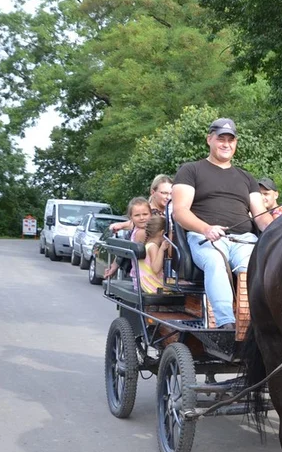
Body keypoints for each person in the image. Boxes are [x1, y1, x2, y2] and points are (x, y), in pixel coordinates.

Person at [171, 118, 269, 331]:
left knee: (254, 266)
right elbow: (180, 212)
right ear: (209, 140)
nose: (226, 144)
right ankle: (225, 324)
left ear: (236, 143)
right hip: (205, 238)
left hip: (244, 240)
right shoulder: (190, 170)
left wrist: (279, 233)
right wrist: (206, 228)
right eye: (221, 139)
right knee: (215, 262)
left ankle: (253, 324)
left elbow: (261, 216)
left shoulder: (246, 177)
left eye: (230, 140)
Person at [102, 197, 152, 280]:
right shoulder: (141, 232)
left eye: (145, 214)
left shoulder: (136, 229)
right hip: (145, 277)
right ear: (131, 218)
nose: (142, 218)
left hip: (139, 275)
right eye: (137, 215)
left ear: (150, 214)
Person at [136, 215, 168, 293]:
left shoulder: (147, 245)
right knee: (185, 284)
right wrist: (162, 249)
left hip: (147, 283)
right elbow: (156, 269)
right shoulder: (153, 247)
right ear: (162, 233)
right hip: (154, 285)